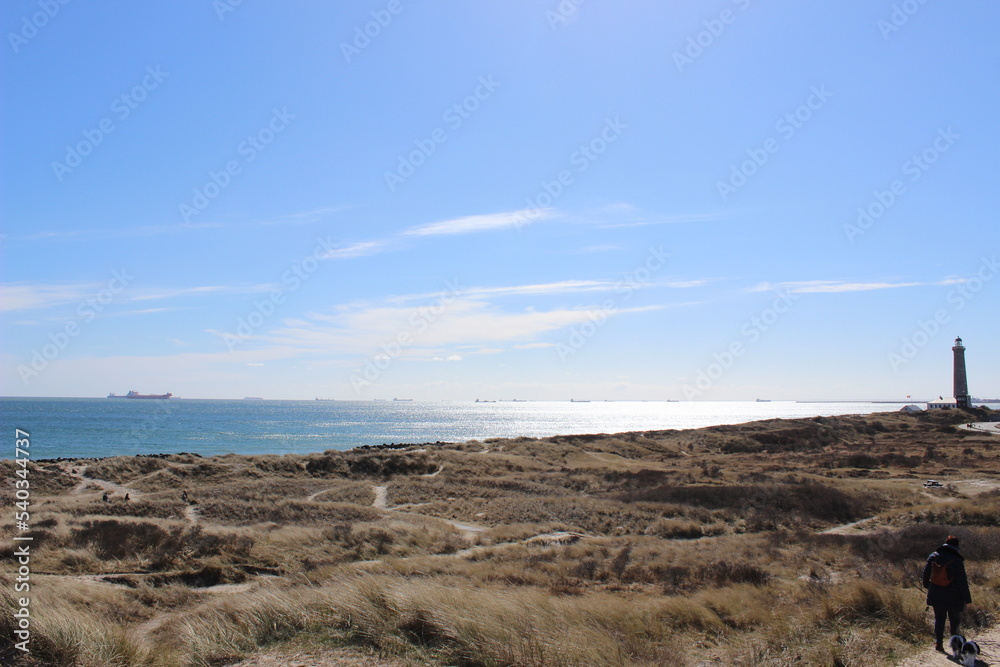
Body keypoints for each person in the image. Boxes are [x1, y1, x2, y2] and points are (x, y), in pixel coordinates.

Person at [923, 535, 972, 653]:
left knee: (939, 619)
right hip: (954, 597)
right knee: (954, 621)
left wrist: (930, 587)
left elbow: (925, 575)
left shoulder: (933, 556)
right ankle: (955, 646)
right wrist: (967, 599)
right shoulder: (957, 560)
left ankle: (939, 643)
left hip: (936, 594)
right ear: (956, 546)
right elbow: (962, 582)